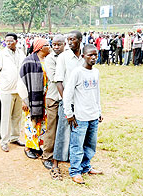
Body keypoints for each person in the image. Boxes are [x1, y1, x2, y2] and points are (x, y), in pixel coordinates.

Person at [63, 44, 103, 184]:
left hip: (93, 116)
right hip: (80, 117)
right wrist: (69, 113)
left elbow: (96, 93)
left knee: (90, 145)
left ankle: (86, 167)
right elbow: (67, 94)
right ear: (83, 56)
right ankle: (75, 171)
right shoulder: (77, 72)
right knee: (77, 145)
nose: (93, 58)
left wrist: (99, 111)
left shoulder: (96, 72)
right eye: (90, 55)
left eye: (95, 55)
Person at [53, 30, 85, 180]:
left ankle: (77, 162)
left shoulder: (85, 56)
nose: (70, 42)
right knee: (62, 132)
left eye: (73, 39)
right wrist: (66, 102)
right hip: (67, 102)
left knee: (79, 133)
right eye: (68, 39)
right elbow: (59, 81)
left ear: (80, 40)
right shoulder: (63, 57)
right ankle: (55, 164)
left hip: (82, 102)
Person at [0, 33, 26, 152]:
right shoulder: (1, 54)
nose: (8, 43)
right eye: (6, 41)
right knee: (6, 116)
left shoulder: (21, 52)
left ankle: (15, 137)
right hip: (6, 89)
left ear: (16, 41)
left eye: (11, 41)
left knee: (17, 115)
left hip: (19, 89)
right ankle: (4, 141)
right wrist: (4, 79)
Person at [18, 38, 50, 159]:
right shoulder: (28, 61)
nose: (50, 47)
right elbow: (21, 81)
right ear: (41, 47)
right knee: (31, 123)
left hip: (45, 99)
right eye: (47, 45)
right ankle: (28, 147)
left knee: (42, 123)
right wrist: (24, 99)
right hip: (32, 99)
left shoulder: (48, 61)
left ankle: (37, 146)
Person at [42, 35, 65, 171]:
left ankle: (62, 154)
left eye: (59, 44)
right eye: (54, 44)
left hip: (68, 97)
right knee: (52, 128)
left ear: (64, 44)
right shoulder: (50, 58)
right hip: (54, 98)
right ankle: (47, 156)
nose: (56, 47)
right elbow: (55, 77)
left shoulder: (68, 56)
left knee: (64, 128)